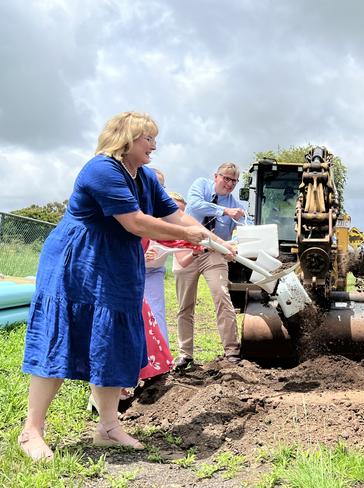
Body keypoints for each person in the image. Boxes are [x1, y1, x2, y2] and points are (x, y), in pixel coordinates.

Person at [19, 112, 235, 462]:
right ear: (125, 138)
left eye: (154, 138)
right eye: (147, 138)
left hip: (117, 268)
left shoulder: (146, 177)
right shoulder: (101, 170)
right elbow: (135, 222)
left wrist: (213, 239)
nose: (154, 144)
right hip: (77, 264)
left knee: (113, 342)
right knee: (63, 339)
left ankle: (107, 427)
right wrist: (188, 235)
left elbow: (175, 215)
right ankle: (32, 430)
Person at [174, 163, 248, 369]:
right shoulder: (201, 186)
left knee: (222, 297)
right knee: (184, 305)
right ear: (216, 176)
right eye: (226, 178)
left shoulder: (236, 204)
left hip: (213, 254)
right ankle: (185, 354)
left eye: (234, 181)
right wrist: (225, 211)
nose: (230, 184)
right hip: (187, 250)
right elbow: (195, 206)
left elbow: (244, 229)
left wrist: (239, 241)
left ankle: (232, 351)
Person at [143, 167, 170, 343]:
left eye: (162, 186)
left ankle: (160, 359)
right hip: (129, 271)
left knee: (155, 312)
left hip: (152, 272)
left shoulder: (163, 213)